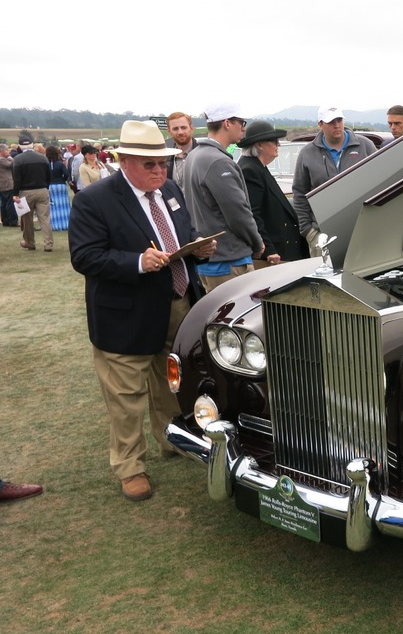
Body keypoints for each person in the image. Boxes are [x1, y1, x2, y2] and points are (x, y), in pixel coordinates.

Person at [69, 119, 216, 501]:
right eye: (149, 164)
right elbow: (85, 257)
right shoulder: (94, 199)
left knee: (172, 381)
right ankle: (130, 467)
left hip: (178, 304)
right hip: (124, 316)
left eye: (163, 162)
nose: (159, 170)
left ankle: (173, 439)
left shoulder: (169, 189)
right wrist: (137, 262)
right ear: (124, 161)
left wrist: (197, 247)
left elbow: (179, 235)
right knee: (126, 398)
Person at [181, 102, 264, 292]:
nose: (244, 127)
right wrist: (257, 242)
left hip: (210, 260)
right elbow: (238, 212)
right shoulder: (218, 161)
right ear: (227, 123)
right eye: (241, 122)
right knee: (237, 318)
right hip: (229, 262)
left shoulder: (194, 156)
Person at [292, 104, 378, 256]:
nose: (337, 125)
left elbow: (380, 181)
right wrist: (308, 231)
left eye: (339, 120)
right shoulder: (307, 154)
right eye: (331, 122)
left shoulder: (366, 146)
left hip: (363, 231)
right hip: (322, 234)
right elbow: (300, 193)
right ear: (320, 124)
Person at [237, 120, 309, 264]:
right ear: (259, 145)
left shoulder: (258, 167)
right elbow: (253, 214)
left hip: (283, 246)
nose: (279, 145)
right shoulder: (250, 170)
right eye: (274, 141)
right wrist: (268, 249)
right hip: (275, 252)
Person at [12, 144, 53, 252]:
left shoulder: (18, 159)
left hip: (26, 191)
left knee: (27, 219)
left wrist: (15, 193)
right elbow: (49, 175)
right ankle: (48, 244)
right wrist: (46, 187)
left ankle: (30, 242)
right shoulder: (43, 158)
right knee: (45, 218)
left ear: (20, 146)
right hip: (42, 190)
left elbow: (17, 178)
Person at [165, 111, 198, 188]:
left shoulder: (203, 154)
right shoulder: (165, 158)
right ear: (169, 131)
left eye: (183, 127)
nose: (180, 132)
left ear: (191, 128)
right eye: (175, 129)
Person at [46, 145, 72, 231]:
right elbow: (67, 174)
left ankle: (55, 225)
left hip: (50, 186)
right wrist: (63, 180)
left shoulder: (46, 164)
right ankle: (66, 224)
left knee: (53, 206)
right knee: (63, 205)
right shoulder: (60, 163)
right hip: (61, 185)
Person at [0, 144, 16, 226]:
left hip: (2, 185)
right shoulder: (2, 160)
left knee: (3, 204)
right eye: (7, 150)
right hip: (7, 184)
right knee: (10, 203)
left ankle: (5, 220)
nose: (8, 151)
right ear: (2, 151)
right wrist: (10, 157)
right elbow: (12, 164)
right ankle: (12, 221)